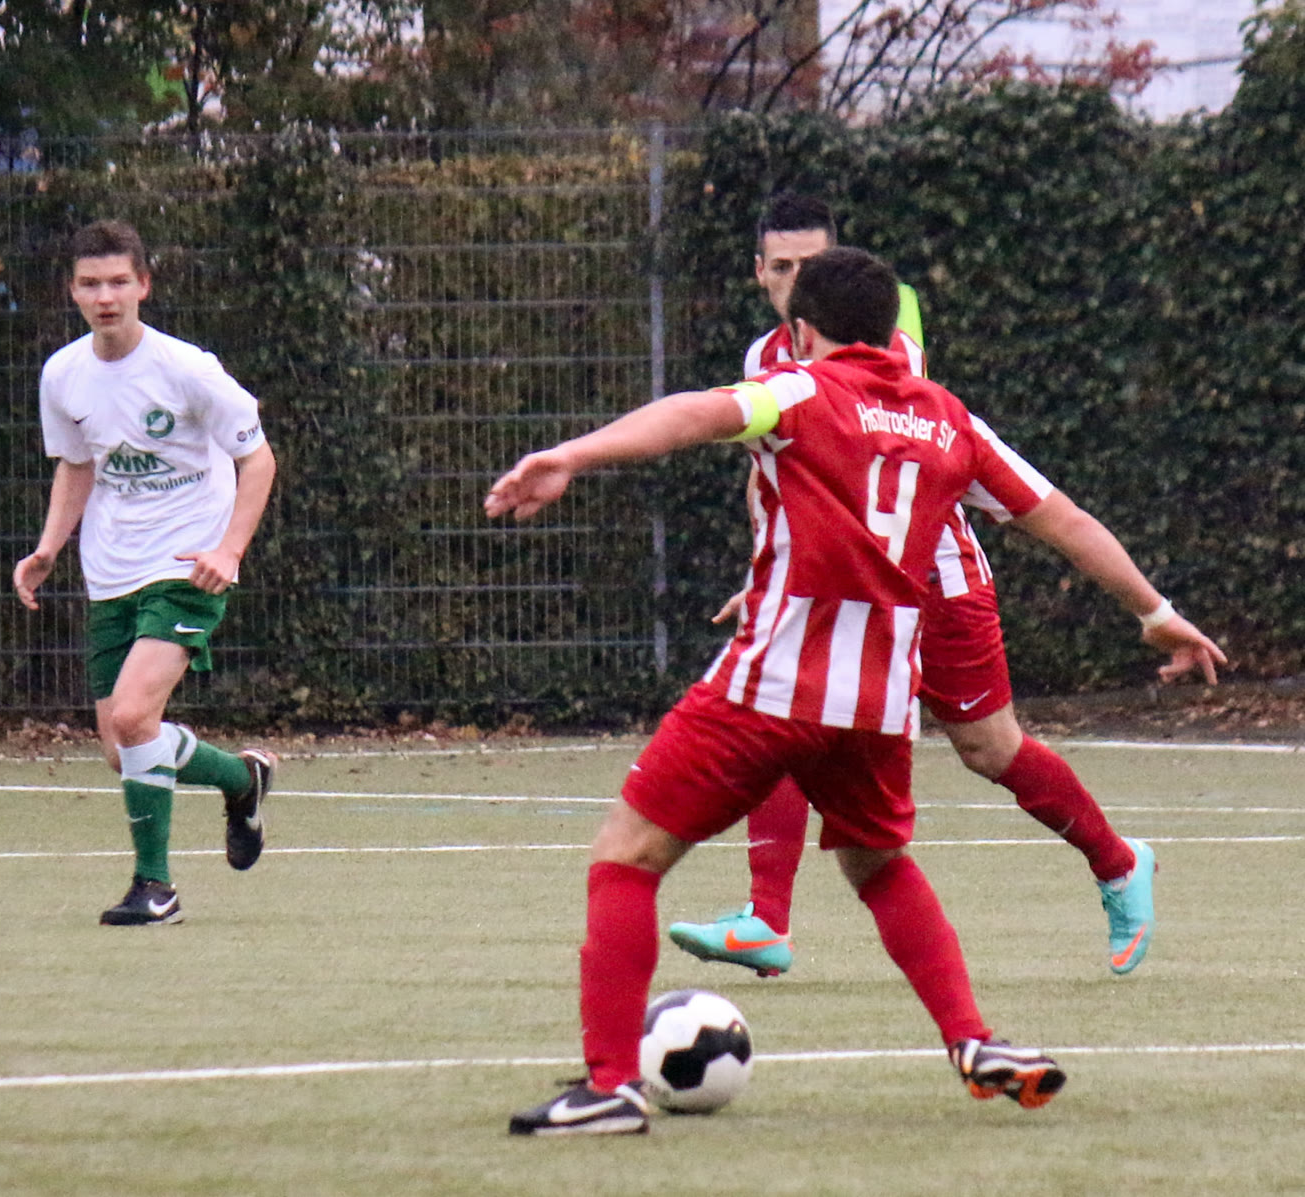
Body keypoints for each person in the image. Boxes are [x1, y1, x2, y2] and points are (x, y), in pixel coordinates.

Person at [491, 246, 1225, 1136]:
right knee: (879, 865)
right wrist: (1156, 611)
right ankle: (973, 1039)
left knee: (626, 855)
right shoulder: (950, 419)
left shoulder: (798, 390)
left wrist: (570, 454)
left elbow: (695, 413)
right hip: (879, 705)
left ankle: (611, 1084)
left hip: (770, 687)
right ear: (890, 329)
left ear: (803, 331)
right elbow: (1061, 517)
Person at [669, 193, 1197, 979]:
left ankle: (1119, 862)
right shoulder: (763, 361)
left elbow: (885, 471)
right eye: (781, 266)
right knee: (785, 716)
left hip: (936, 583)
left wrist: (1154, 609)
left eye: (810, 265)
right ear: (759, 273)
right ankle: (765, 919)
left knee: (990, 748)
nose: (795, 280)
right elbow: (779, 476)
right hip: (842, 592)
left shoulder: (891, 357)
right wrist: (772, 573)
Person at [14, 220, 280, 926]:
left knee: (135, 718)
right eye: (91, 284)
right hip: (110, 571)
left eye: (118, 282)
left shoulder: (187, 369)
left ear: (144, 286)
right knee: (121, 746)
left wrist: (229, 550)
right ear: (72, 292)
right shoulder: (63, 374)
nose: (106, 297)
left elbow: (258, 459)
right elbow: (77, 464)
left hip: (188, 567)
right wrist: (48, 548)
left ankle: (154, 887)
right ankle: (240, 779)